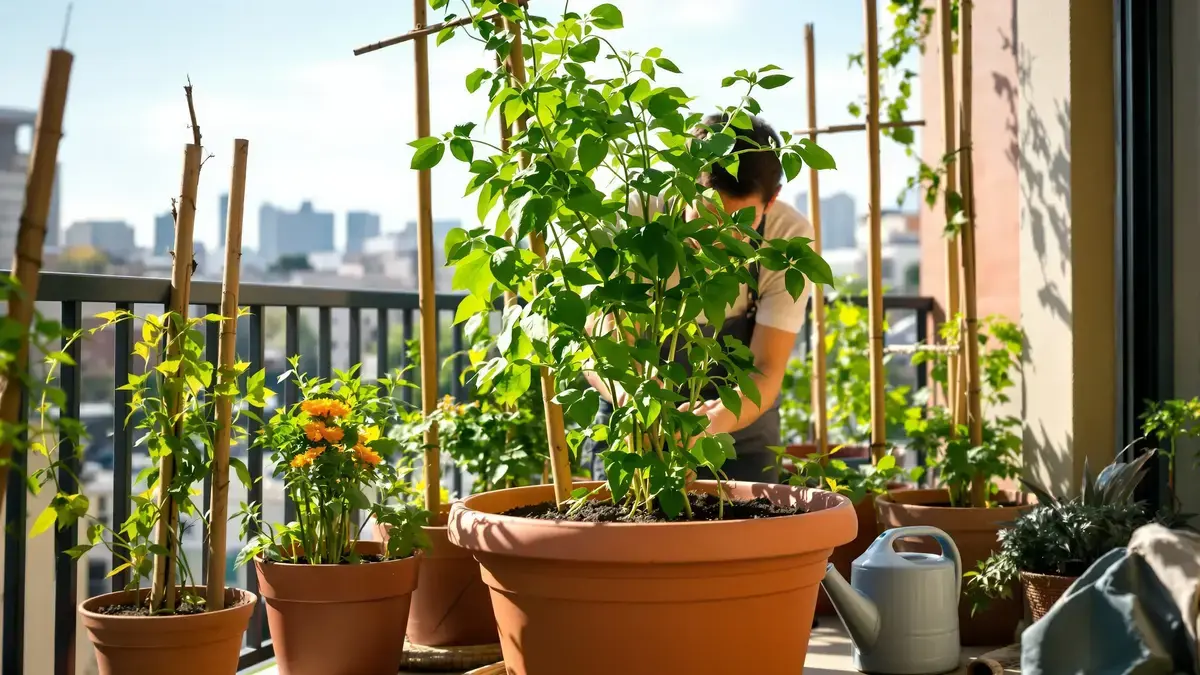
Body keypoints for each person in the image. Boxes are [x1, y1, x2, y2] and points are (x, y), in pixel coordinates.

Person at [581, 113, 815, 484]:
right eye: (707, 219)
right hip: (636, 425)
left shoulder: (788, 240)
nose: (718, 241)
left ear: (771, 202)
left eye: (738, 226)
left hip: (741, 430)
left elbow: (767, 367)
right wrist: (639, 397)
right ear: (686, 183)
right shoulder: (633, 217)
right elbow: (598, 341)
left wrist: (714, 421)